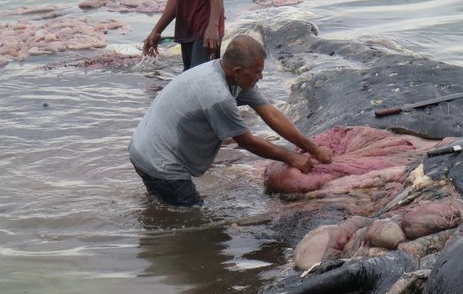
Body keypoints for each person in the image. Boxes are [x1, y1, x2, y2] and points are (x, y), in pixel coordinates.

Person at [129, 35, 333, 206]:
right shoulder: (217, 95)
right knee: (197, 223)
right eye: (257, 72)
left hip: (143, 149)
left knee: (162, 209)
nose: (261, 77)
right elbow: (246, 141)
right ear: (237, 71)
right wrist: (290, 157)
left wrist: (312, 148)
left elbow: (271, 114)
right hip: (160, 162)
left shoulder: (231, 76)